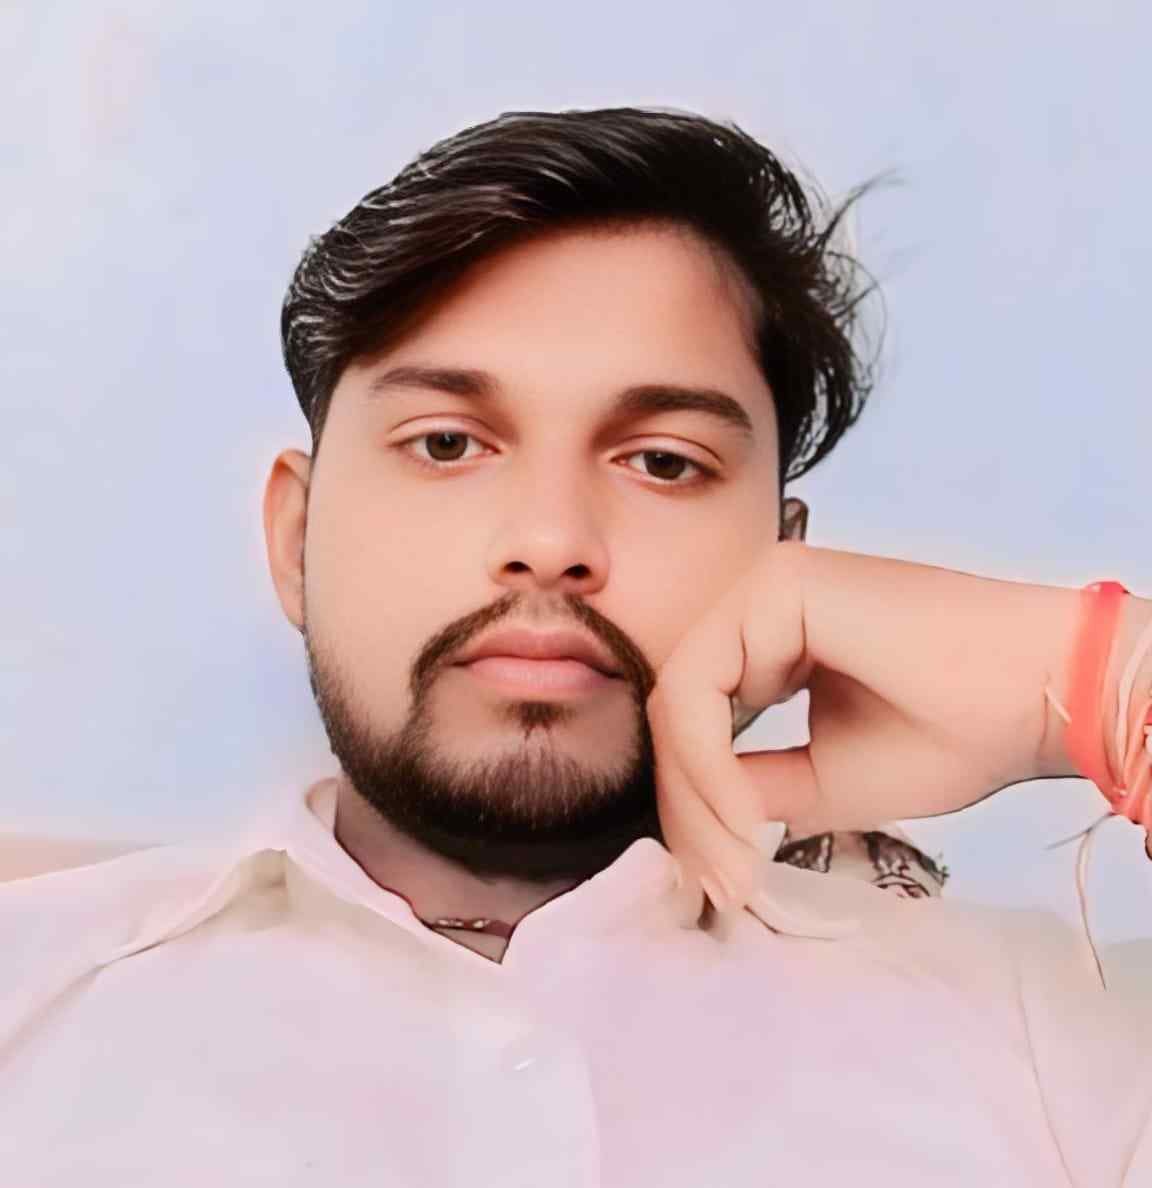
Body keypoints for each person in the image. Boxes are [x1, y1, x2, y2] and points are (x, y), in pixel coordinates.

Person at [2, 105, 1150, 1186]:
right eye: (447, 444)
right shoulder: (34, 999)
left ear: (785, 555)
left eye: (663, 462)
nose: (551, 543)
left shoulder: (1058, 1040)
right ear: (296, 538)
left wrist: (1107, 686)